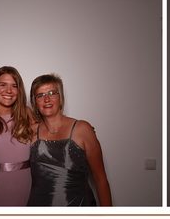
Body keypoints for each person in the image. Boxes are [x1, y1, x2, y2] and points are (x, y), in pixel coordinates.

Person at [27, 73, 112, 206]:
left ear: (61, 98)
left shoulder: (82, 129)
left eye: (52, 93)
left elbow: (100, 179)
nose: (47, 99)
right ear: (34, 102)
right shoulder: (30, 132)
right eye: (40, 95)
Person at [0, 66, 35, 206]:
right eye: (3, 85)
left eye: (14, 86)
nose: (9, 91)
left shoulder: (27, 114)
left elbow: (48, 131)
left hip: (25, 186)